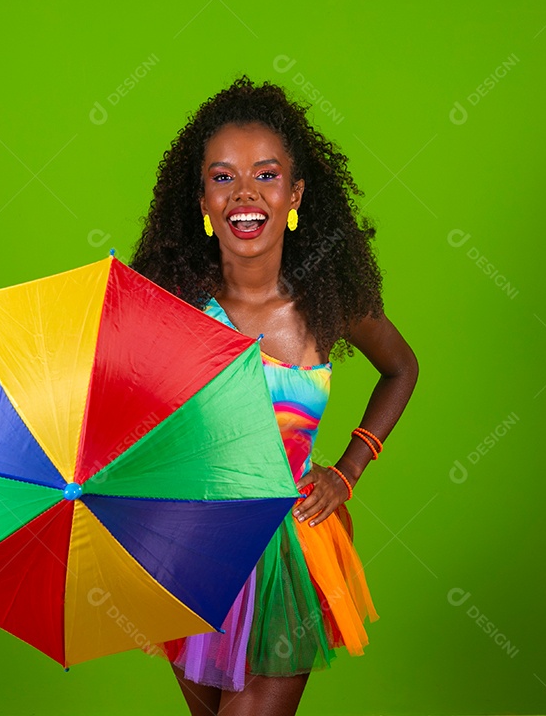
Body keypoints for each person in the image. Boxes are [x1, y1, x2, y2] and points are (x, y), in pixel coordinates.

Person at [129, 75, 419, 716]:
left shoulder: (327, 303)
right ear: (202, 200)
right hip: (192, 550)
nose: (245, 193)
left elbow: (401, 368)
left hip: (288, 553)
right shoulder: (172, 310)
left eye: (266, 174)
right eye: (223, 177)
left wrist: (348, 469)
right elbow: (134, 425)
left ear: (295, 193)